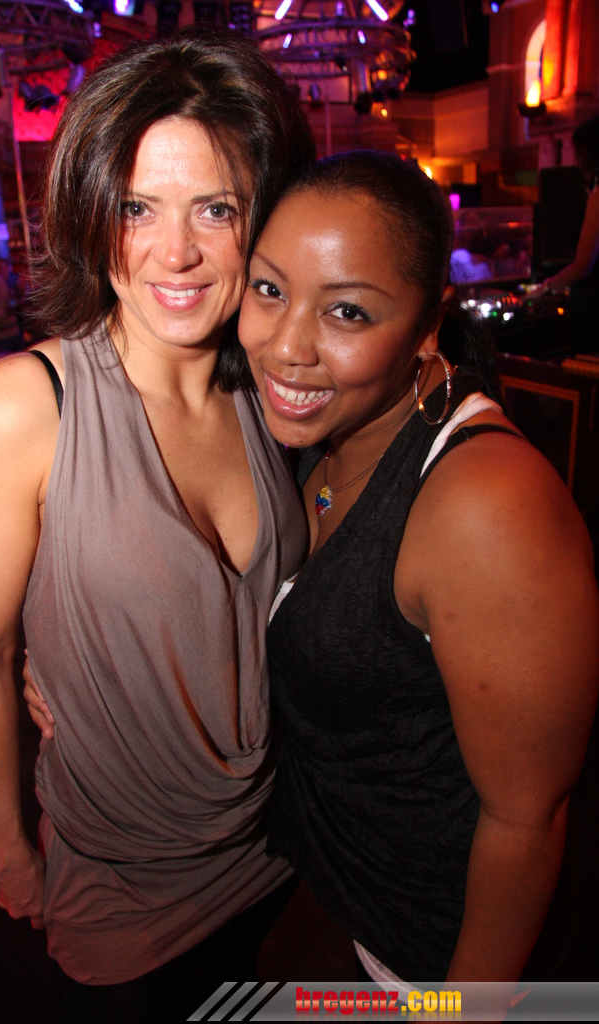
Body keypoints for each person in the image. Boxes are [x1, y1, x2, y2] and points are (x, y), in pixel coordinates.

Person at [0, 28, 314, 1022]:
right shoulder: (22, 408)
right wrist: (4, 844)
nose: (175, 252)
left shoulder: (272, 391)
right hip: (124, 895)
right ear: (93, 212)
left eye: (216, 209)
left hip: (278, 852)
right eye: (138, 207)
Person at [236, 150, 599, 999]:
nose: (286, 346)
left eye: (348, 311)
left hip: (421, 959)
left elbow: (526, 816)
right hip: (329, 893)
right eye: (269, 289)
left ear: (429, 325)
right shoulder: (321, 431)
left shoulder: (486, 506)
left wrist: (463, 1008)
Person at [540, 115, 599, 351]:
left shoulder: (598, 196)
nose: (576, 162)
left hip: (592, 312)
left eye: (579, 154)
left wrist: (544, 289)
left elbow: (582, 266)